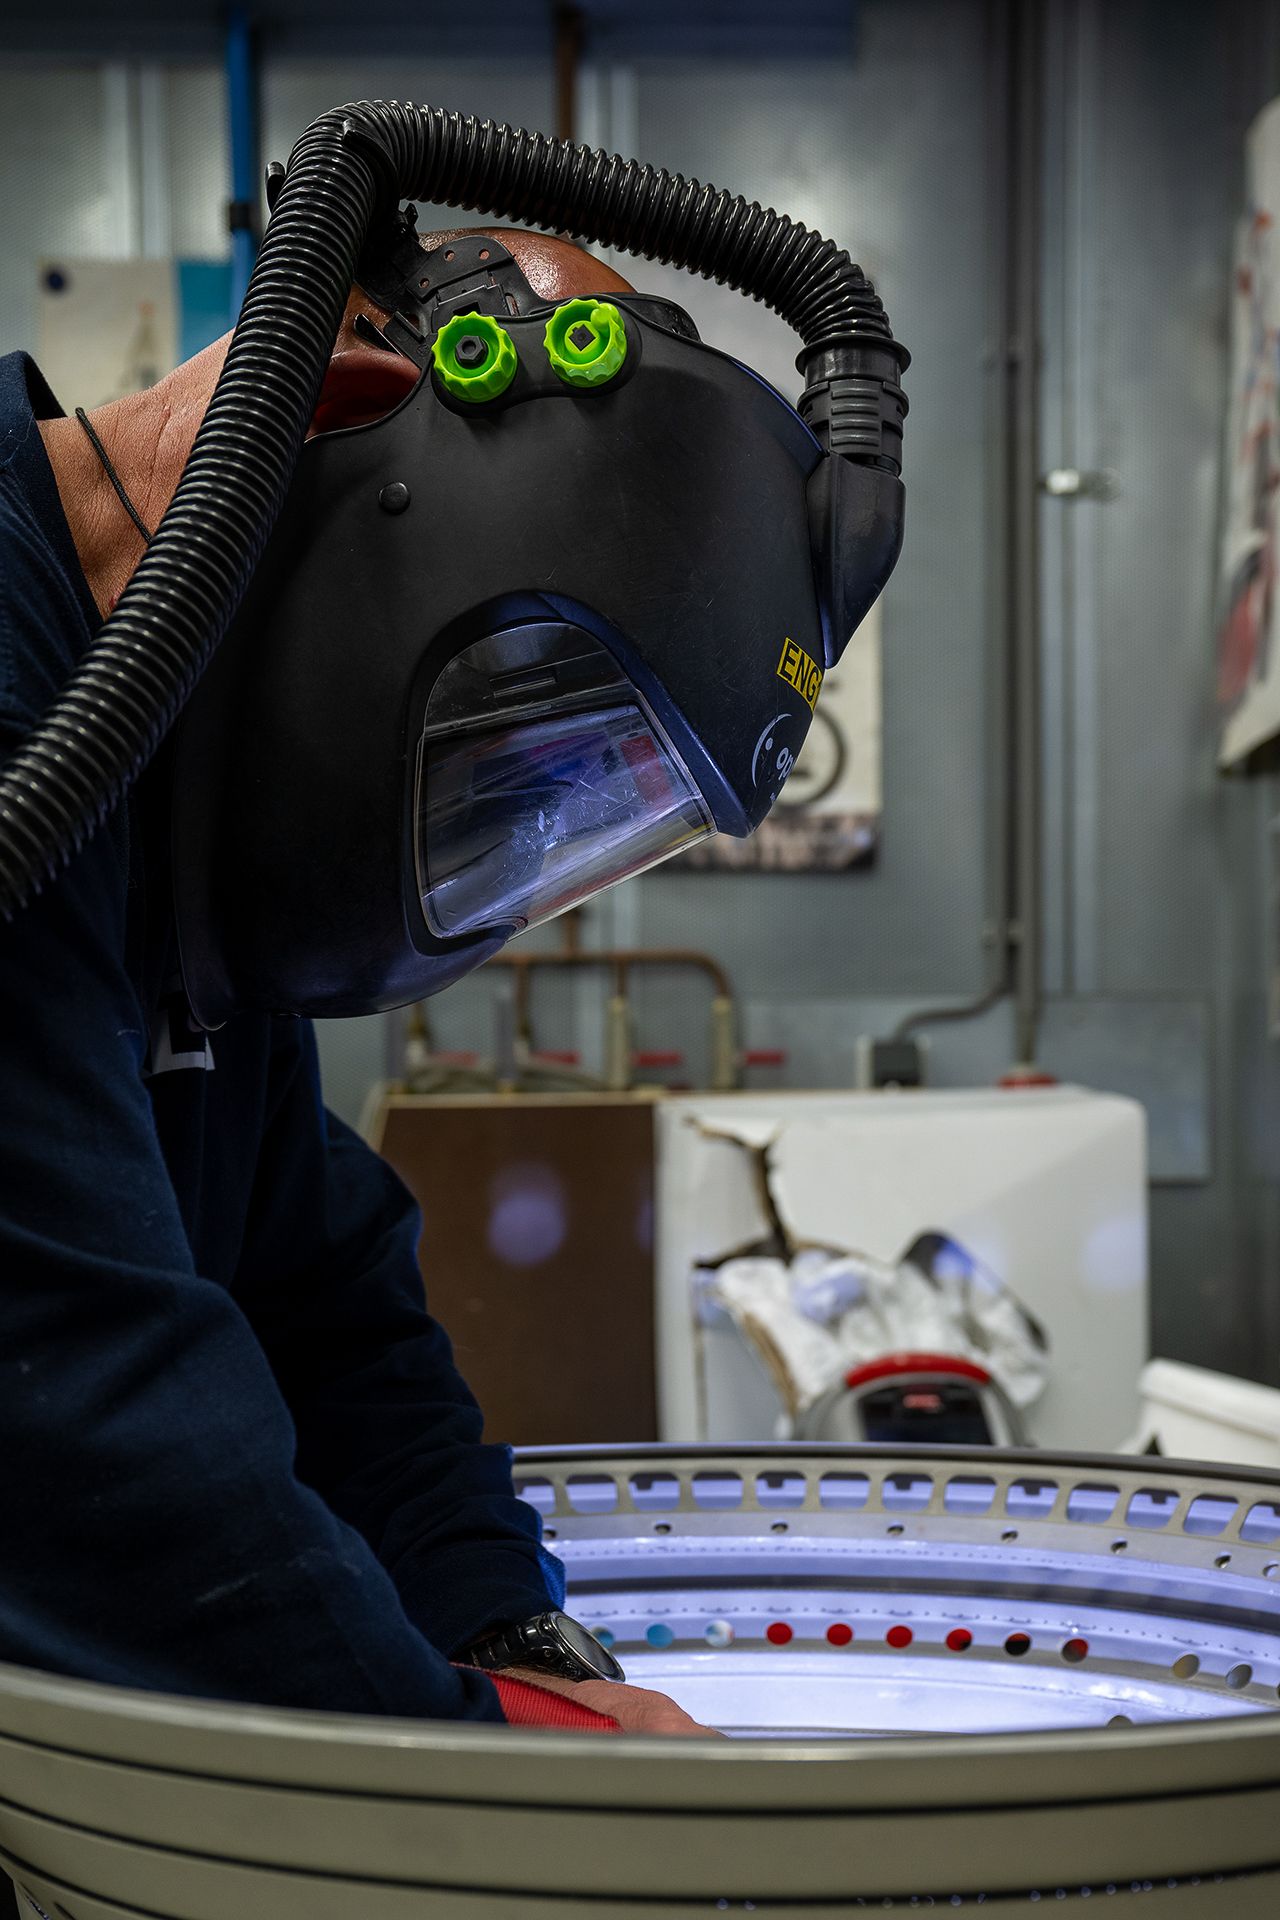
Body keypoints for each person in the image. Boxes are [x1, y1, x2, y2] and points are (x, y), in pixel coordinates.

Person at [0, 227, 712, 1739]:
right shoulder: (31, 743)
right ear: (318, 416)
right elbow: (68, 1410)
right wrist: (511, 1764)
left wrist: (511, 1633)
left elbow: (323, 1308)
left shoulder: (158, 802)